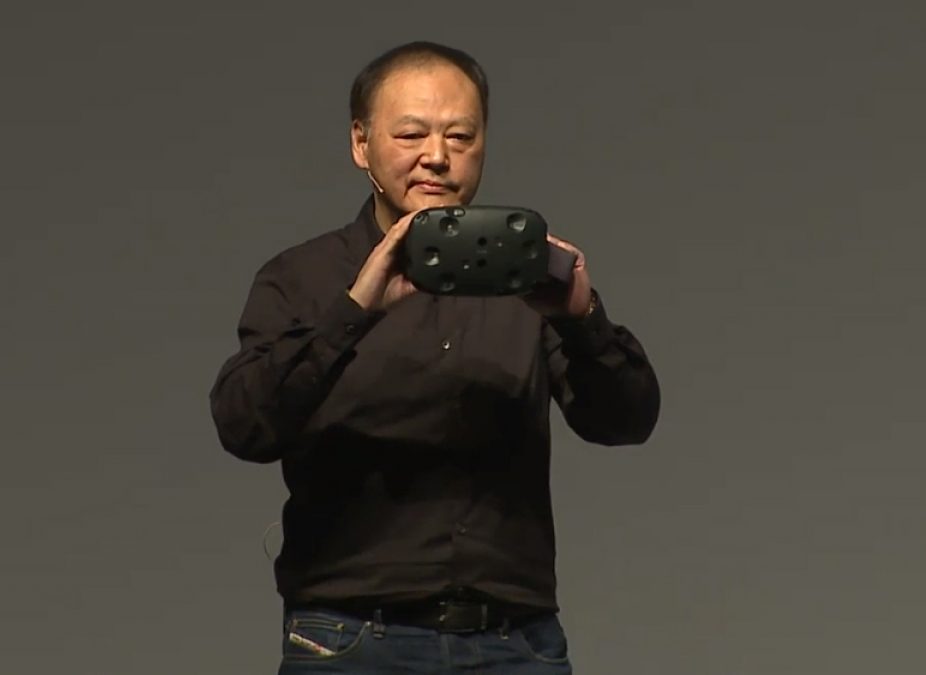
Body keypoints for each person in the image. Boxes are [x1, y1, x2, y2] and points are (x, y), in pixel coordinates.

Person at [209, 40, 661, 674]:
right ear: (361, 143)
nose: (437, 156)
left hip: (516, 644)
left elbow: (627, 420)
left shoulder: (528, 282)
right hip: (349, 641)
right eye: (411, 134)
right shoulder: (303, 277)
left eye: (460, 136)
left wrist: (582, 319)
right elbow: (244, 425)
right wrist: (355, 309)